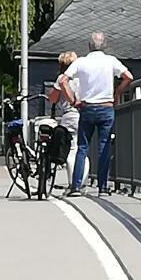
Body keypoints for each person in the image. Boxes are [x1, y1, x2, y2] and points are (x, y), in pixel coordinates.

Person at [59, 31, 133, 197]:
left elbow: (63, 81)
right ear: (104, 45)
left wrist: (73, 101)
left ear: (89, 47)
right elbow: (128, 77)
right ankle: (103, 186)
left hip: (87, 108)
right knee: (104, 147)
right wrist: (117, 92)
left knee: (82, 147)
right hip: (106, 108)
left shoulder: (81, 62)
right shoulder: (110, 61)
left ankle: (76, 186)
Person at [48, 51, 89, 189]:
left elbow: (52, 99)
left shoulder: (63, 78)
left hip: (70, 115)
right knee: (83, 148)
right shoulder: (84, 77)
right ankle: (83, 182)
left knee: (72, 150)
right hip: (86, 113)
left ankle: (73, 184)